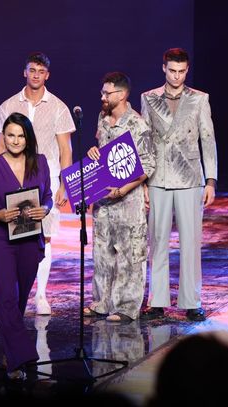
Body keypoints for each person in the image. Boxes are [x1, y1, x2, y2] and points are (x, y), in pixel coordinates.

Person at [0, 52, 76, 315]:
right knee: (14, 235)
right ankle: (17, 293)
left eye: (41, 71)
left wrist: (64, 184)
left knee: (44, 236)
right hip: (13, 177)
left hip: (45, 178)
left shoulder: (59, 107)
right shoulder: (8, 105)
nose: (36, 75)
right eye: (32, 70)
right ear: (24, 72)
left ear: (47, 75)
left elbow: (66, 149)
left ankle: (40, 295)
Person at [140, 47, 218, 322]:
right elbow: (144, 141)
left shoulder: (199, 99)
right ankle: (157, 301)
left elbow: (207, 139)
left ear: (187, 70)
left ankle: (192, 302)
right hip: (158, 177)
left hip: (190, 178)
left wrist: (211, 180)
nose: (176, 76)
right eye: (172, 70)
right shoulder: (149, 98)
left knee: (191, 242)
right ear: (164, 68)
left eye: (181, 71)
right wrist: (143, 181)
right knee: (157, 241)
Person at [0, 112, 52, 379]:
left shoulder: (40, 162)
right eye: (10, 135)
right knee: (6, 297)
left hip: (29, 239)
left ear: (28, 138)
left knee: (18, 301)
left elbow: (47, 196)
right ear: (4, 137)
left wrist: (45, 209)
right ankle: (22, 357)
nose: (16, 140)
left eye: (21, 135)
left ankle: (11, 352)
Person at [85, 72, 155, 323]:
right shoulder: (102, 119)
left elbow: (148, 164)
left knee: (129, 255)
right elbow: (102, 153)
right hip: (104, 200)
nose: (103, 97)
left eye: (107, 93)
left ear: (122, 94)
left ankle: (126, 307)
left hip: (128, 201)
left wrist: (124, 189)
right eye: (102, 92)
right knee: (102, 253)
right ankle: (101, 302)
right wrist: (93, 152)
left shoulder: (137, 124)